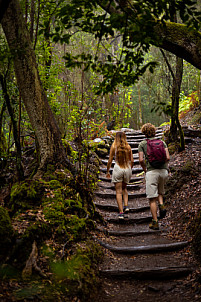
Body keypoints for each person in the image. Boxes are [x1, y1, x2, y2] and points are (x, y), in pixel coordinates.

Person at [138, 123, 170, 230]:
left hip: (152, 172)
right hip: (163, 172)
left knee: (152, 199)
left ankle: (155, 222)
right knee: (160, 192)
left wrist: (145, 169)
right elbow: (168, 157)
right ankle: (161, 205)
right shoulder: (162, 142)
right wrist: (163, 165)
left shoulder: (142, 144)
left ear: (144, 133)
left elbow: (141, 160)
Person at [106, 131, 134, 219]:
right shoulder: (128, 146)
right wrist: (130, 169)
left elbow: (110, 160)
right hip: (127, 168)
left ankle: (121, 212)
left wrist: (107, 171)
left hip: (118, 168)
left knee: (118, 191)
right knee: (124, 188)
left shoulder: (114, 146)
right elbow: (132, 161)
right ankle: (126, 206)